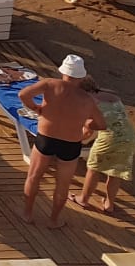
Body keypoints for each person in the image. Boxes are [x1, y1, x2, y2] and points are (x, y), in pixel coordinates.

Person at [19, 55, 105, 228]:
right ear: (81, 76)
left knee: (34, 177)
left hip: (46, 137)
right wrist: (87, 125)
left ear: (63, 71)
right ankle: (53, 220)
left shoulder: (50, 84)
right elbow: (102, 124)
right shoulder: (88, 100)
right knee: (62, 185)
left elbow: (23, 94)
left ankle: (27, 214)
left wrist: (36, 108)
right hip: (70, 143)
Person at [73, 78, 135, 214]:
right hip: (129, 137)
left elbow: (88, 130)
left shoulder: (89, 103)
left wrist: (75, 140)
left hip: (110, 138)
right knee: (115, 171)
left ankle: (83, 199)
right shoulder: (112, 96)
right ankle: (109, 204)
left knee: (93, 168)